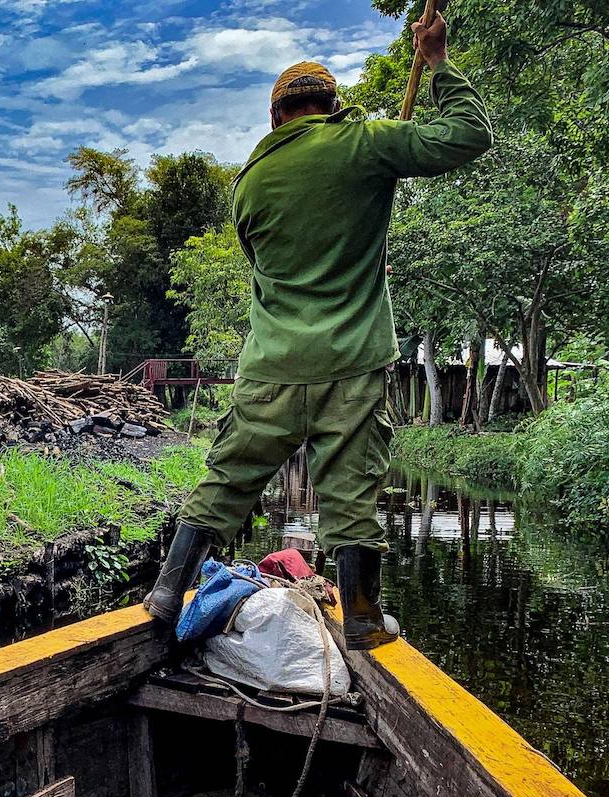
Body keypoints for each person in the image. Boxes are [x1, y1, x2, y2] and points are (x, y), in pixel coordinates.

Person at [145, 13, 493, 649]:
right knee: (351, 488)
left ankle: (169, 591)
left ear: (277, 119)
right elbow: (469, 134)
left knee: (228, 479)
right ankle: (361, 616)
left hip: (272, 364)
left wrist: (352, 244)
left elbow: (269, 269)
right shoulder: (364, 143)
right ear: (330, 107)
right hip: (351, 362)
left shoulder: (248, 183)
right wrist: (436, 61)